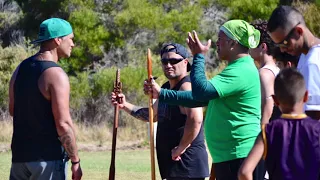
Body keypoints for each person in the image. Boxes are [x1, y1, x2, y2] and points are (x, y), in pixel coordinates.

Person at [146, 20, 265, 180]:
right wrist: (162, 94)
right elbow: (196, 99)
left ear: (232, 43)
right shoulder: (235, 69)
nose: (217, 42)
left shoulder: (241, 70)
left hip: (240, 154)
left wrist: (198, 57)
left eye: (220, 38)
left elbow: (201, 92)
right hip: (229, 155)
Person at [111, 43, 209, 180]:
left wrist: (180, 148)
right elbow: (152, 115)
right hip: (171, 167)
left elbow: (195, 120)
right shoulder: (166, 88)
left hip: (186, 166)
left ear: (185, 62)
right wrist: (124, 105)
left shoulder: (187, 87)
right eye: (165, 61)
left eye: (174, 61)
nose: (168, 65)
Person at [8, 18, 82, 180]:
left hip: (19, 160)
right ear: (58, 40)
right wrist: (75, 161)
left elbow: (13, 110)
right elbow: (63, 123)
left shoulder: (20, 69)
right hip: (47, 161)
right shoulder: (56, 74)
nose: (73, 44)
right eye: (70, 38)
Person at [238, 68, 320, 180]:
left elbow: (244, 172)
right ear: (306, 96)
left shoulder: (268, 131)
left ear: (275, 100)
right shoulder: (316, 129)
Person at [267, 5, 320, 120]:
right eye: (278, 45)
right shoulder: (306, 56)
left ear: (298, 31)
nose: (282, 49)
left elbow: (314, 116)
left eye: (284, 43)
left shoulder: (312, 62)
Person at [250, 19, 280, 124]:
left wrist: (262, 134)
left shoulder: (264, 73)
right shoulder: (277, 70)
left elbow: (268, 103)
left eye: (252, 43)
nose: (249, 47)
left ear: (263, 46)